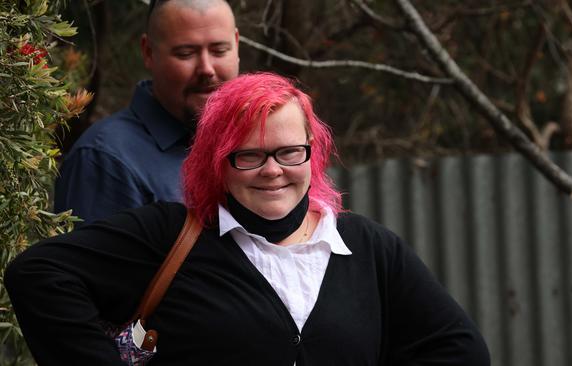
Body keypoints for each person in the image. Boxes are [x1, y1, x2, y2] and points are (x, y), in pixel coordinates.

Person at [6, 72, 490, 365]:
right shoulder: (170, 234)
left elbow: (459, 351)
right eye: (249, 155)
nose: (273, 170)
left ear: (313, 153)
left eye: (289, 152)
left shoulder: (366, 247)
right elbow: (36, 274)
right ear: (217, 160)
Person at [54, 0, 240, 224]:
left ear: (236, 45)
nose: (207, 69)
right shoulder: (105, 161)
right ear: (149, 52)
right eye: (186, 53)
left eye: (219, 51)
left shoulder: (256, 146)